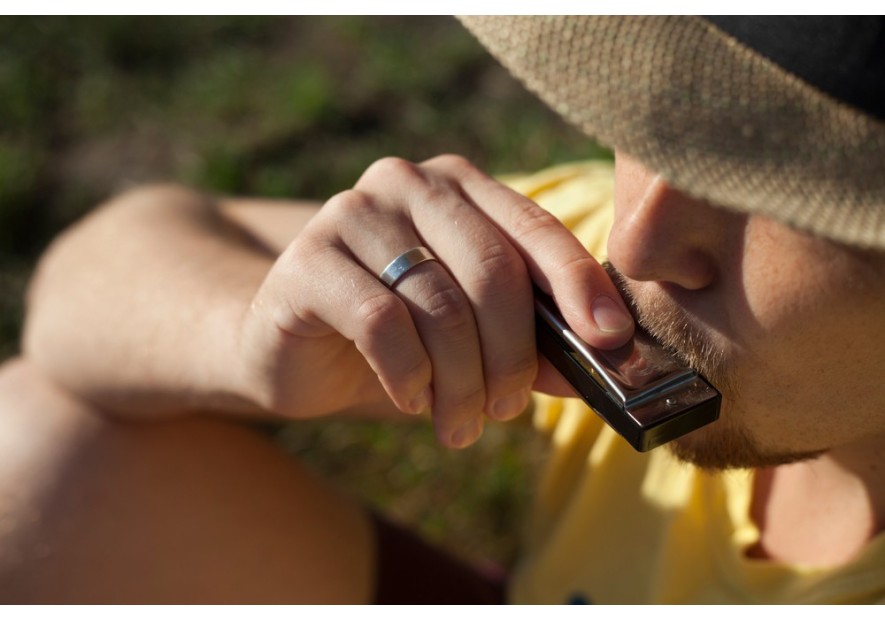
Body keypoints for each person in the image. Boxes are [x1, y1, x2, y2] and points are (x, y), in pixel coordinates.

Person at [1, 15, 884, 603]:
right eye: (656, 129)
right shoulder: (599, 257)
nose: (635, 244)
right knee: (35, 451)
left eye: (779, 193)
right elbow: (100, 271)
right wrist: (247, 337)